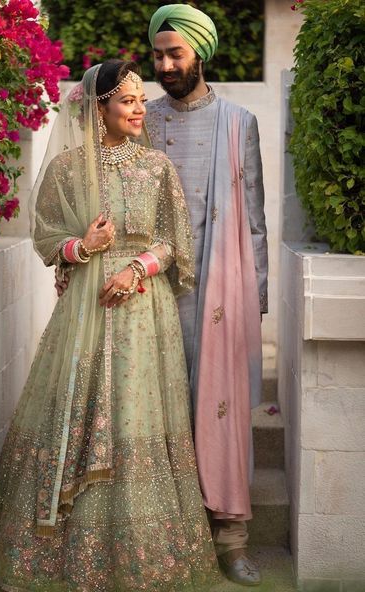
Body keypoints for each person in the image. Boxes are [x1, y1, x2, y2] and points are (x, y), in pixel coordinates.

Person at [0, 59, 220, 591]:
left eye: (141, 99)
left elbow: (175, 242)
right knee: (83, 406)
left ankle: (140, 555)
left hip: (143, 311)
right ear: (100, 108)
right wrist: (83, 247)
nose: (140, 108)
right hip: (86, 311)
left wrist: (136, 267)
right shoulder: (69, 168)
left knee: (131, 416)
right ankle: (65, 556)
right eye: (127, 100)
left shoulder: (158, 167)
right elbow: (47, 238)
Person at [146, 5, 268, 587]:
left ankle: (231, 539)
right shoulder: (138, 118)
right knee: (154, 412)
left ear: (200, 53)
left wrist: (255, 299)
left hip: (217, 294)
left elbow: (256, 223)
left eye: (177, 54)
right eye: (158, 55)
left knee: (219, 411)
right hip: (150, 291)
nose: (166, 65)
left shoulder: (238, 122)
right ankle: (166, 535)